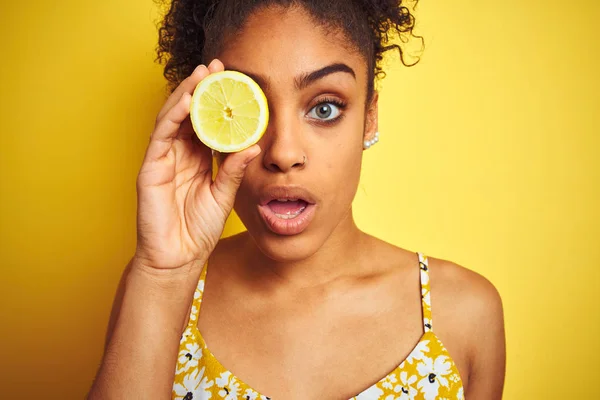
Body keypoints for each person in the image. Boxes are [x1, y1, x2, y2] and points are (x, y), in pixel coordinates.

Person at [88, 0, 506, 399]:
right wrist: (163, 277)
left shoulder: (464, 313)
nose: (283, 153)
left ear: (369, 117)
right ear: (209, 120)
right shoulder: (158, 290)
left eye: (324, 108)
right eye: (255, 109)